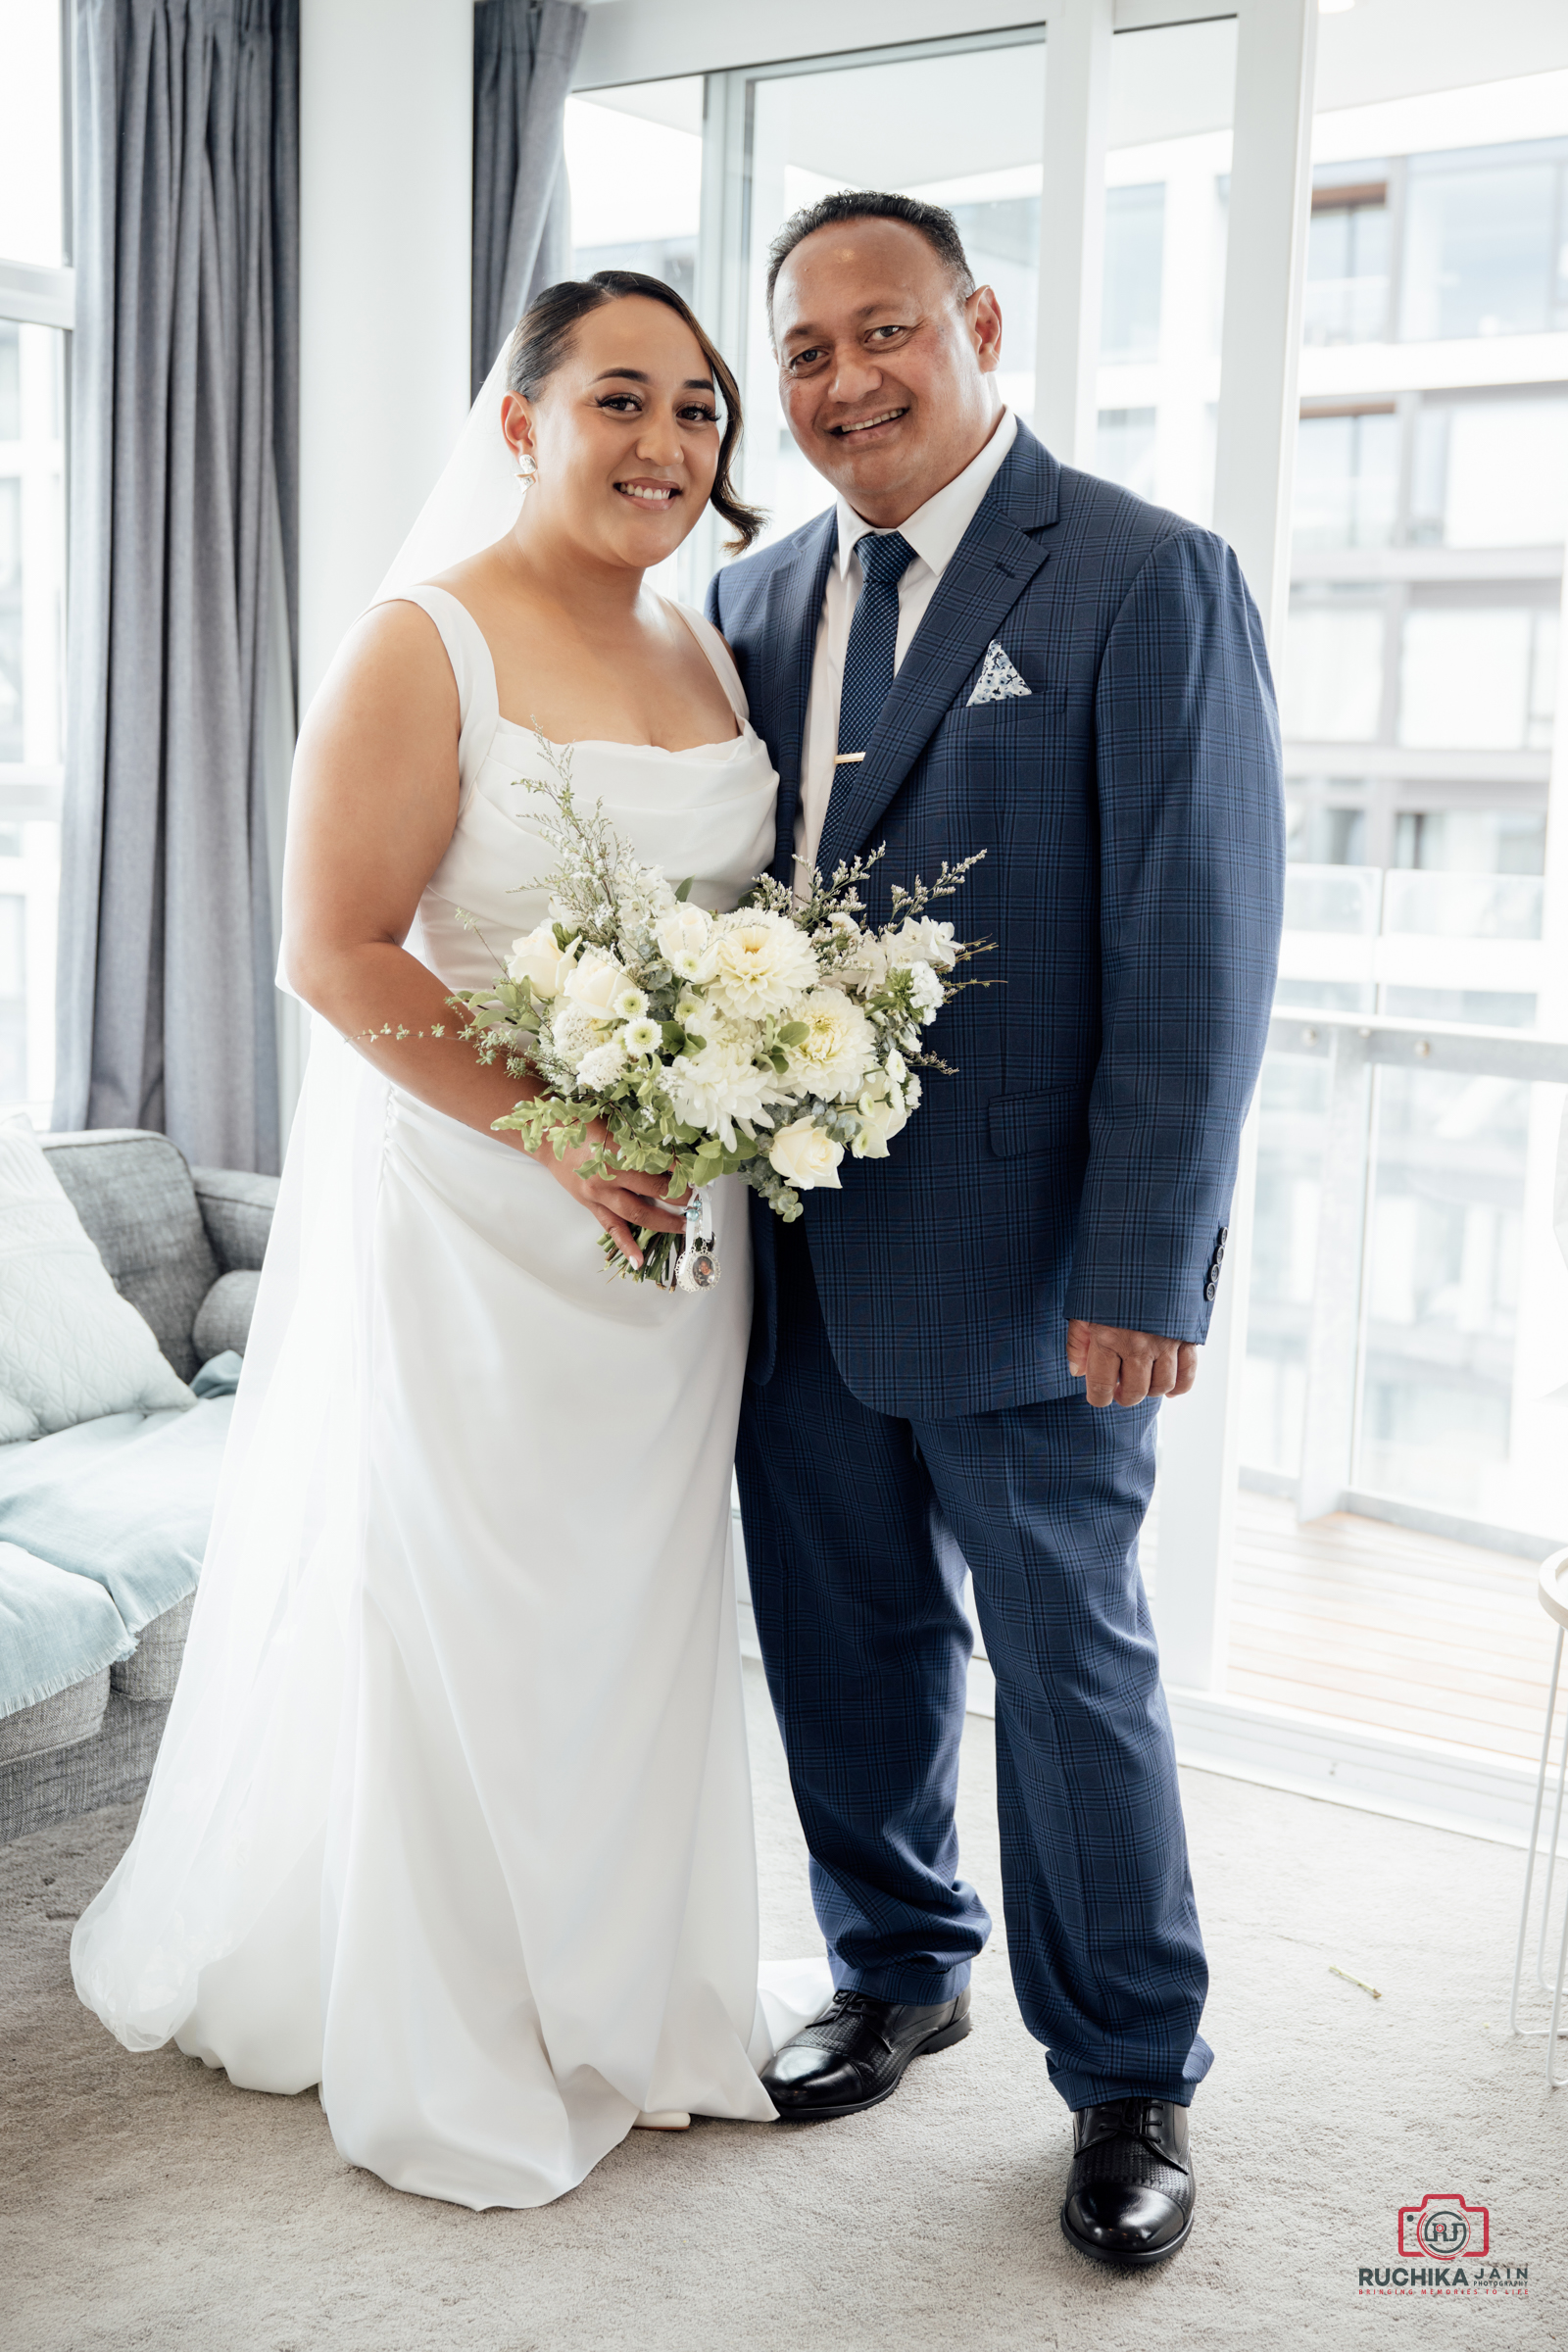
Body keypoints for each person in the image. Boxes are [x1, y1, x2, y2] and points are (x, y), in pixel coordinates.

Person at [71, 271, 827, 2210]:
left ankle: (635, 1992)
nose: (664, 441)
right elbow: (333, 949)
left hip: (676, 1236)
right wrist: (566, 1130)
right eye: (619, 399)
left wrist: (719, 1088)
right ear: (520, 421)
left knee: (642, 1611)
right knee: (484, 1607)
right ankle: (461, 2024)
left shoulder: (707, 646)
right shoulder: (426, 641)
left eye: (698, 408)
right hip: (491, 1217)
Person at [708, 192, 1285, 2269]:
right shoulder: (752, 597)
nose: (844, 380)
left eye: (884, 332)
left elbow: (1196, 947)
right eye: (804, 352)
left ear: (978, 325)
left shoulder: (1142, 573)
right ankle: (897, 1964)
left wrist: (1148, 1265)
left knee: (1067, 1673)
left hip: (1038, 1266)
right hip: (789, 1254)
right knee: (840, 1639)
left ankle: (1129, 2073)